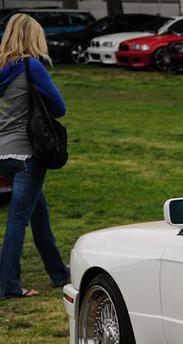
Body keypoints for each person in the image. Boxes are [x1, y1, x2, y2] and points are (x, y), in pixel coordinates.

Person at [0, 14, 68, 300]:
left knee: (39, 214)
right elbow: (60, 107)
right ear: (32, 37)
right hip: (28, 154)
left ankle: (59, 273)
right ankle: (9, 285)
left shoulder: (2, 68)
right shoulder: (31, 66)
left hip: (3, 154)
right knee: (18, 219)